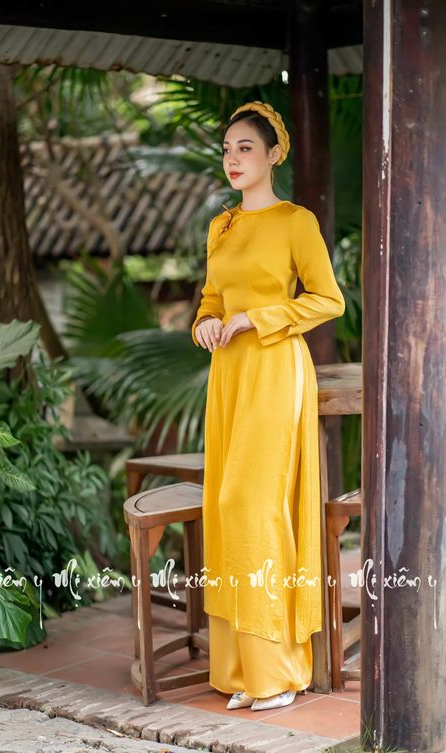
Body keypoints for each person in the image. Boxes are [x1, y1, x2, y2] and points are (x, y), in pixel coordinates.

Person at [191, 101, 346, 712]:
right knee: (226, 511)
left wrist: (261, 316)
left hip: (275, 370)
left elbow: (328, 299)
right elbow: (211, 297)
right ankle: (239, 672)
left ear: (274, 154)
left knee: (252, 504)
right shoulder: (221, 227)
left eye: (246, 148)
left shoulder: (295, 221)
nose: (233, 159)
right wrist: (205, 322)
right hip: (228, 375)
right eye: (227, 149)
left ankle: (278, 670)